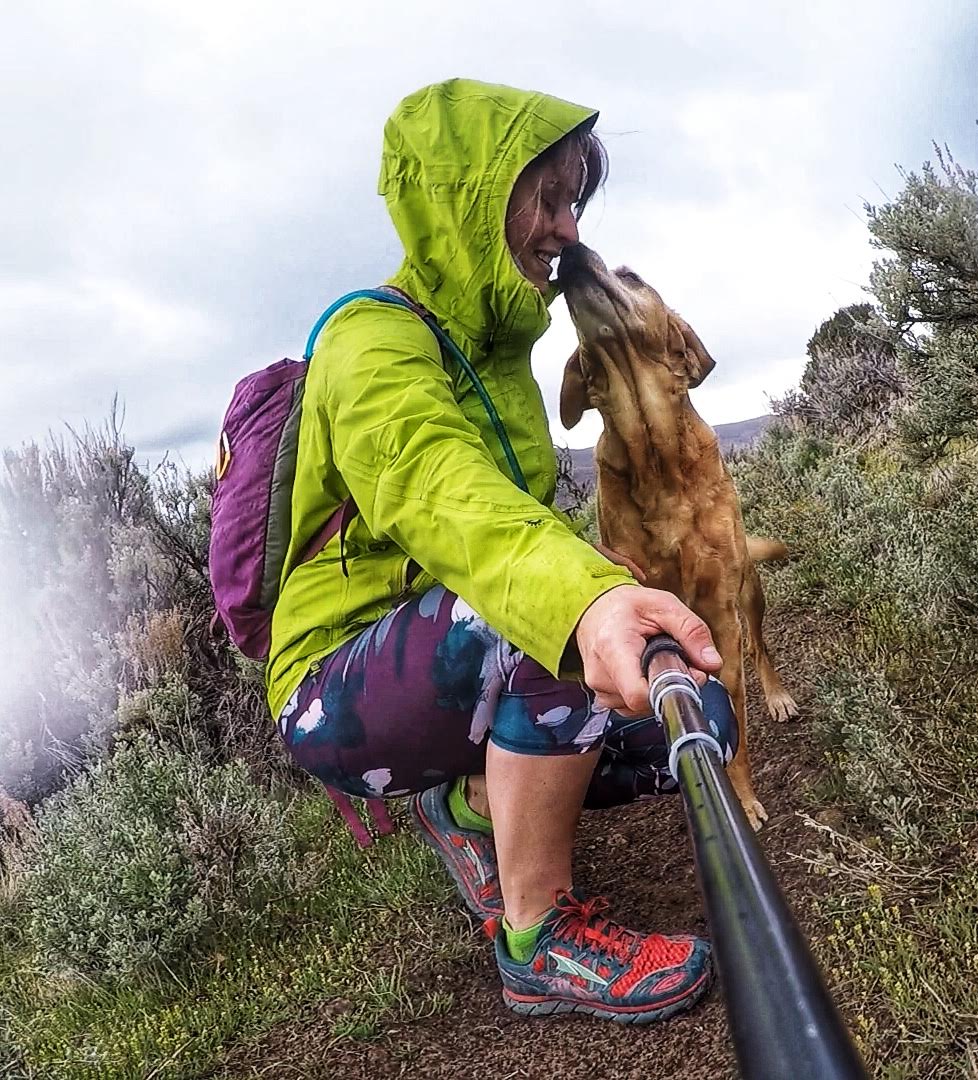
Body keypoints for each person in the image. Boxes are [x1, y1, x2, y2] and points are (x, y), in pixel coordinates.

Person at [265, 78, 736, 1025]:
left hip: (449, 650)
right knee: (546, 613)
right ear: (469, 199)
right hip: (334, 687)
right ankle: (537, 938)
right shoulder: (370, 340)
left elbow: (514, 529)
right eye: (545, 197)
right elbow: (442, 492)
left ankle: (475, 804)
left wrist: (606, 608)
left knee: (691, 727)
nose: (565, 226)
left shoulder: (498, 353)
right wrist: (583, 603)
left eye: (573, 202)